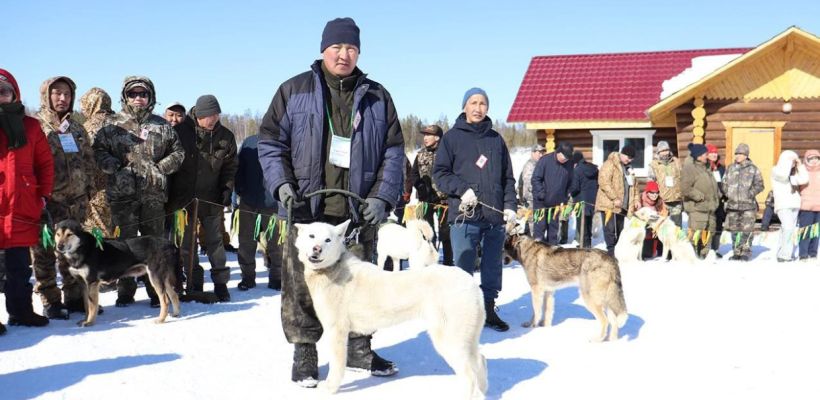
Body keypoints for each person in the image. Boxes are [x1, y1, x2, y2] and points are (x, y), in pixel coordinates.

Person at [258, 18, 404, 386]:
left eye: (351, 48)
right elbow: (271, 143)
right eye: (337, 47)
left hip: (355, 213)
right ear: (324, 49)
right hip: (307, 211)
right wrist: (282, 186)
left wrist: (382, 197)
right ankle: (305, 351)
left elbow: (394, 152)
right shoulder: (295, 90)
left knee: (360, 288)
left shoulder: (377, 96)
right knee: (300, 286)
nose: (344, 54)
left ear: (359, 52)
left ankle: (359, 348)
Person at [93, 76, 185, 306]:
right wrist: (113, 166)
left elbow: (178, 153)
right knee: (124, 245)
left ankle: (157, 292)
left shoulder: (162, 125)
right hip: (122, 196)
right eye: (133, 94)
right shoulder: (111, 125)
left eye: (142, 94)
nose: (138, 98)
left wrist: (161, 168)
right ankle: (126, 291)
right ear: (125, 96)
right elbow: (98, 151)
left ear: (150, 97)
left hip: (153, 196)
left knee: (154, 245)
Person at [433, 87, 517, 332]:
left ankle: (489, 308)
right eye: (473, 102)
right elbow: (440, 174)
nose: (478, 108)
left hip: (493, 216)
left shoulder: (496, 139)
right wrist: (462, 190)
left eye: (482, 103)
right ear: (464, 107)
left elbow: (508, 178)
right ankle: (461, 315)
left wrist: (510, 206)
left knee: (492, 265)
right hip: (464, 215)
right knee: (463, 267)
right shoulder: (452, 138)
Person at [32, 76, 96, 319]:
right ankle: (50, 300)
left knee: (72, 252)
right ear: (46, 95)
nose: (62, 98)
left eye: (67, 94)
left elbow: (89, 160)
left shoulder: (76, 127)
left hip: (76, 202)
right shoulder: (35, 125)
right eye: (57, 93)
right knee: (44, 252)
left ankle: (74, 297)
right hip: (47, 202)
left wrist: (88, 189)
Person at [169, 95, 238, 302]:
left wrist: (226, 191)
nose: (214, 119)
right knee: (187, 244)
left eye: (217, 114)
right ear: (199, 115)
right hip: (184, 201)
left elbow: (230, 167)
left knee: (215, 243)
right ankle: (193, 282)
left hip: (211, 199)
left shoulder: (225, 136)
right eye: (210, 115)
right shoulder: (180, 133)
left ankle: (221, 283)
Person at [0, 69, 54, 329]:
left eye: (4, 91)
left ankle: (21, 311)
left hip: (22, 203)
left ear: (14, 94)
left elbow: (44, 163)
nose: (0, 96)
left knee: (20, 266)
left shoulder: (31, 126)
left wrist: (43, 192)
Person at [235, 134, 282, 290]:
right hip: (249, 201)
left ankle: (277, 278)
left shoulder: (282, 141)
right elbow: (238, 167)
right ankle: (247, 278)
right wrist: (240, 190)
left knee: (277, 243)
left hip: (273, 203)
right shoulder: (250, 141)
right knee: (246, 243)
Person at [409, 124, 452, 265]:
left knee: (446, 233)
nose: (425, 138)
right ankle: (430, 262)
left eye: (428, 135)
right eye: (424, 135)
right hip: (425, 200)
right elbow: (413, 174)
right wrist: (419, 185)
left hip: (443, 201)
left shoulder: (448, 153)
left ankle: (447, 262)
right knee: (427, 232)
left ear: (437, 137)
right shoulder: (420, 154)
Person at [80, 87, 116, 238]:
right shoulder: (120, 124)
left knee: (98, 234)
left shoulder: (87, 128)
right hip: (123, 189)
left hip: (96, 190)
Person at [722, 143, 764, 261]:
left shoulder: (753, 169)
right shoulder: (730, 168)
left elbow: (760, 185)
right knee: (735, 231)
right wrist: (728, 193)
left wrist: (750, 194)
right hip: (733, 206)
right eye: (736, 153)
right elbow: (724, 183)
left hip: (748, 207)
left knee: (747, 231)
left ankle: (745, 252)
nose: (738, 156)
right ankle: (736, 252)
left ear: (746, 155)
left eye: (740, 154)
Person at [595, 145, 638, 256]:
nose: (629, 160)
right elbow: (604, 182)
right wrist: (614, 198)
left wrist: (636, 199)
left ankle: (618, 250)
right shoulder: (609, 164)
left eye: (631, 158)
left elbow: (634, 186)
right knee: (610, 228)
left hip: (623, 204)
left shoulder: (629, 168)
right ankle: (611, 251)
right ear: (622, 153)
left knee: (620, 229)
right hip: (609, 203)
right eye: (628, 157)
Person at [681, 143, 720, 259]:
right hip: (697, 208)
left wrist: (717, 196)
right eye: (704, 154)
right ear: (698, 156)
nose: (706, 156)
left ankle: (704, 256)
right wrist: (699, 196)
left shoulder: (707, 168)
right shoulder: (690, 169)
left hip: (710, 208)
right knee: (696, 234)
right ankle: (693, 257)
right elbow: (685, 188)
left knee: (708, 234)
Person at [531, 142, 574, 244]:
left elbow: (570, 182)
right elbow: (535, 179)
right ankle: (538, 255)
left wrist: (565, 196)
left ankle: (552, 254)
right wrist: (541, 194)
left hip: (556, 203)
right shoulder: (545, 160)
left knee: (553, 231)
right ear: (558, 152)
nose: (565, 160)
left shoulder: (569, 164)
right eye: (564, 157)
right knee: (539, 230)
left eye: (567, 158)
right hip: (540, 203)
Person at [771, 150, 809, 262]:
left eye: (794, 161)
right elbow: (783, 176)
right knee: (788, 228)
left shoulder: (795, 172)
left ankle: (782, 251)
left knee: (788, 229)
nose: (792, 163)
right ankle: (785, 255)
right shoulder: (776, 170)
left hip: (795, 204)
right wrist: (789, 163)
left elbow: (804, 180)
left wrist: (800, 165)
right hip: (782, 204)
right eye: (790, 160)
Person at [648, 140, 682, 226]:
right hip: (662, 200)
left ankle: (675, 240)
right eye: (662, 151)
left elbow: (683, 178)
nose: (665, 153)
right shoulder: (654, 165)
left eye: (666, 150)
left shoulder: (676, 162)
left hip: (676, 200)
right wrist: (655, 198)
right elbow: (651, 182)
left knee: (677, 227)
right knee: (661, 226)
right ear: (658, 152)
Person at [632, 180, 668, 259]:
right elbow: (636, 216)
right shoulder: (640, 200)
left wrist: (657, 222)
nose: (655, 195)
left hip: (656, 225)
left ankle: (661, 250)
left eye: (656, 192)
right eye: (652, 192)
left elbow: (664, 215)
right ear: (647, 192)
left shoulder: (660, 201)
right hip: (643, 225)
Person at [569, 151, 598, 248]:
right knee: (589, 223)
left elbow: (575, 187)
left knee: (581, 224)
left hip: (580, 200)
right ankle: (588, 244)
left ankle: (583, 245)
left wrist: (570, 192)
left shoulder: (577, 170)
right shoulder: (593, 169)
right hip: (592, 200)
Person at [517, 144, 545, 234]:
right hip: (531, 199)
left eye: (542, 153)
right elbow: (528, 184)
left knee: (530, 222)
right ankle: (533, 242)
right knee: (533, 223)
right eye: (539, 153)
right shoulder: (530, 165)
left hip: (535, 198)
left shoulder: (537, 164)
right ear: (533, 153)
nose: (541, 155)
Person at [798, 149, 820, 260]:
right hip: (806, 206)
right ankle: (803, 254)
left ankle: (813, 253)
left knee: (816, 231)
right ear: (806, 160)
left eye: (816, 158)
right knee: (805, 231)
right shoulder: (801, 170)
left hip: (819, 206)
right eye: (811, 158)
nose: (814, 161)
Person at [705, 144, 727, 256]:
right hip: (706, 202)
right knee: (707, 225)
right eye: (711, 153)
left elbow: (725, 183)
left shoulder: (721, 168)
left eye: (715, 152)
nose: (714, 154)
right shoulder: (702, 167)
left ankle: (715, 249)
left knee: (718, 224)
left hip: (719, 202)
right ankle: (705, 249)